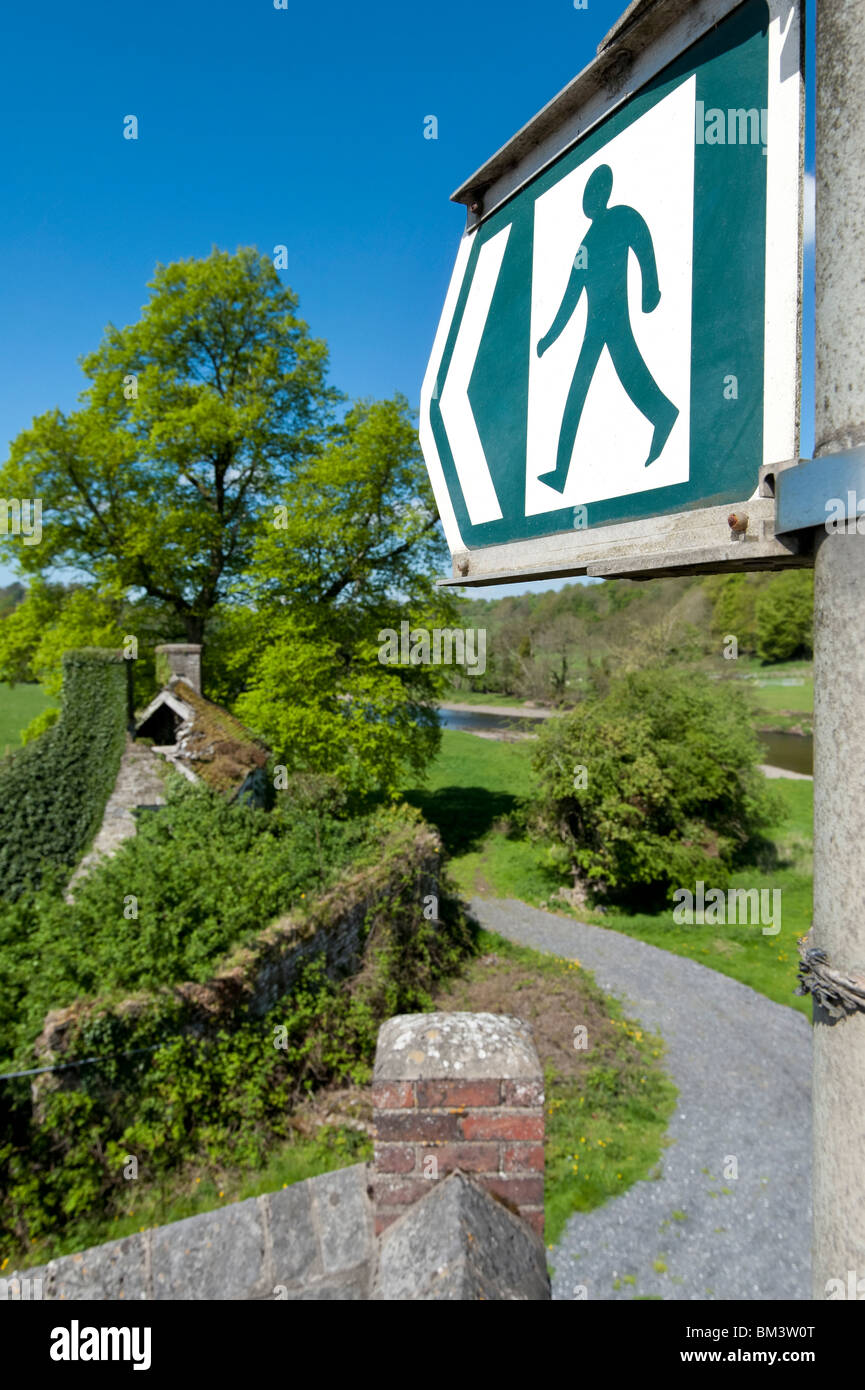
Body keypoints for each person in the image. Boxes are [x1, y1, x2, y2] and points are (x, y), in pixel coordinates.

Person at [536, 163, 679, 491]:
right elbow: (569, 299)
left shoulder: (621, 218)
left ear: (605, 192)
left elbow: (643, 245)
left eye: (594, 193)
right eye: (587, 196)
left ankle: (664, 415)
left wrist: (651, 291)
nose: (590, 201)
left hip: (615, 320)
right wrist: (549, 337)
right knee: (583, 389)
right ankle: (560, 471)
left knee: (627, 378)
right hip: (594, 327)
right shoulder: (584, 245)